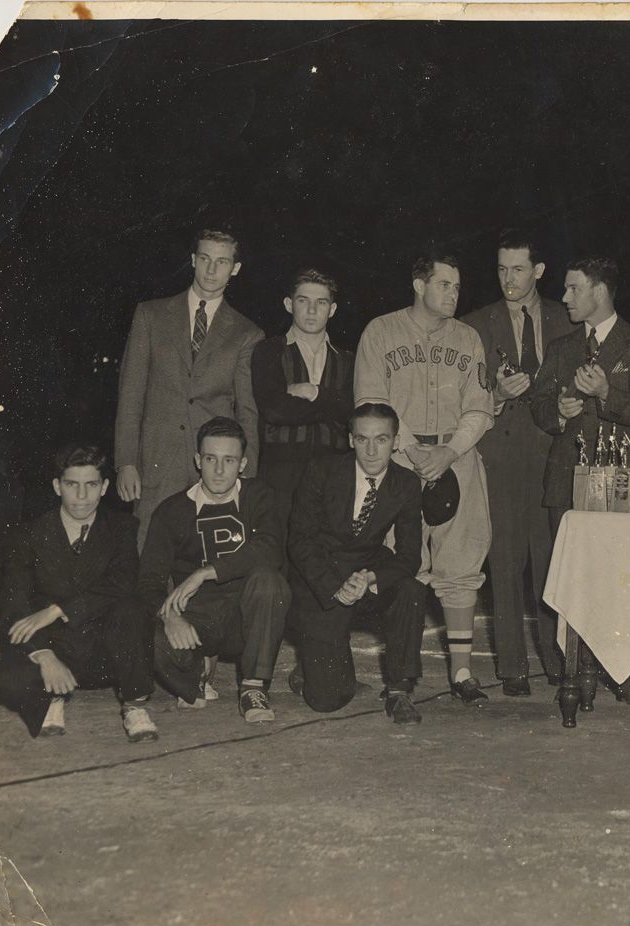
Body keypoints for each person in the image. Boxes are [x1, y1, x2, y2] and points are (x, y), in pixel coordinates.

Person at [353, 254, 494, 704]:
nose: (454, 294)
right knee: (398, 561)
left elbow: (480, 406)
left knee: (462, 559)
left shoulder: (469, 338)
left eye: (457, 287)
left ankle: (462, 672)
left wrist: (449, 452)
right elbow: (371, 401)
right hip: (396, 457)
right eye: (444, 285)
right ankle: (401, 673)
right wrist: (414, 449)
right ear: (418, 284)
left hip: (458, 456)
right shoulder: (380, 331)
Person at [530, 255, 630, 702]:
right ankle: (573, 670)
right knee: (570, 579)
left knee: (621, 579)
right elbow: (539, 407)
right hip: (566, 479)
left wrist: (606, 392)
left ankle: (622, 669)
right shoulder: (562, 349)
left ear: (599, 292)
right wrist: (559, 414)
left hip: (622, 481)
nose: (565, 297)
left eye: (573, 289)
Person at [0, 444, 157, 741]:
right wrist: (44, 655)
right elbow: (12, 602)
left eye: (91, 485)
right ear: (57, 486)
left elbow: (122, 583)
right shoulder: (31, 534)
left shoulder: (121, 527)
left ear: (104, 487)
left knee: (133, 606)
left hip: (109, 653)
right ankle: (51, 697)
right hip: (58, 651)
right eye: (71, 485)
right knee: (2, 677)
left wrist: (57, 609)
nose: (81, 496)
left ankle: (134, 704)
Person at [462, 231, 571, 695]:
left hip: (552, 450)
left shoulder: (567, 317)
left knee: (552, 558)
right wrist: (495, 395)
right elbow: (465, 396)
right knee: (504, 559)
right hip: (501, 454)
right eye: (502, 269)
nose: (509, 279)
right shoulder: (475, 324)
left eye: (519, 269)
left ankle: (556, 660)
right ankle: (512, 668)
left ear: (539, 271)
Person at [115, 228, 263, 548]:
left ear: (234, 269)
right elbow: (130, 395)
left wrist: (246, 474)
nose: (212, 270)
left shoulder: (247, 333)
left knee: (211, 553)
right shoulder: (150, 315)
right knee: (149, 549)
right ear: (193, 260)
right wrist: (126, 461)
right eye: (205, 259)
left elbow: (247, 410)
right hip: (156, 457)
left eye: (222, 262)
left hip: (216, 464)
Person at [139, 417, 289, 723]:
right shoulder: (171, 511)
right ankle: (198, 671)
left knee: (270, 580)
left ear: (243, 464)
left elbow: (270, 549)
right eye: (210, 459)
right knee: (143, 634)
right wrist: (170, 617)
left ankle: (253, 685)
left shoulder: (259, 496)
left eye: (229, 460)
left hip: (247, 617)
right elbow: (148, 581)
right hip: (198, 623)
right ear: (198, 460)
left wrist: (205, 572)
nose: (219, 470)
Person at [287, 404, 429, 723]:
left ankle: (399, 691)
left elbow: (409, 556)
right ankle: (310, 665)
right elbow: (300, 541)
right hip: (321, 577)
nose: (371, 449)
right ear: (351, 440)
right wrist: (333, 588)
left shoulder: (406, 483)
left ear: (395, 441)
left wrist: (371, 577)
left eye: (381, 439)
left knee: (411, 590)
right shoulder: (321, 470)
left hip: (365, 572)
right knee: (328, 700)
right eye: (362, 439)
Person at [251, 268, 355, 534]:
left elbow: (353, 411)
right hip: (279, 473)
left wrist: (313, 392)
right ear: (289, 304)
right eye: (303, 301)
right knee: (278, 552)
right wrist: (333, 404)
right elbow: (275, 409)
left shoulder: (348, 360)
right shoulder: (269, 350)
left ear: (332, 309)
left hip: (332, 473)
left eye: (320, 303)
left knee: (322, 552)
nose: (311, 310)